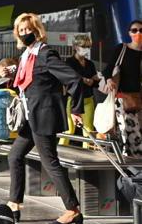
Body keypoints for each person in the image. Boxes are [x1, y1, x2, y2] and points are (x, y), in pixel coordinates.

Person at [6, 13, 85, 224]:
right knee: (14, 156)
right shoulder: (27, 56)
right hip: (31, 117)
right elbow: (33, 81)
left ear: (37, 30)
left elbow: (74, 79)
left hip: (43, 115)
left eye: (28, 30)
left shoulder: (45, 53)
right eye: (20, 30)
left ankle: (72, 209)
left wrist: (76, 110)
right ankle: (14, 204)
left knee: (50, 162)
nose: (24, 34)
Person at [103, 20, 142, 156]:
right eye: (134, 30)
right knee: (131, 134)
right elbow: (107, 70)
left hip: (139, 98)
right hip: (124, 99)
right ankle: (133, 167)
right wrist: (109, 80)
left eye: (141, 30)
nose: (138, 33)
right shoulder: (122, 49)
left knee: (136, 133)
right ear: (129, 33)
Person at [60, 35, 98, 144]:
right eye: (83, 46)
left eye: (88, 46)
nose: (85, 49)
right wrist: (82, 80)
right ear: (75, 47)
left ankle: (89, 157)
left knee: (89, 131)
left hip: (88, 99)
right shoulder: (69, 62)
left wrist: (93, 81)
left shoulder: (90, 64)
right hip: (73, 100)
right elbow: (67, 80)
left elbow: (96, 80)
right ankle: (61, 157)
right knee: (68, 131)